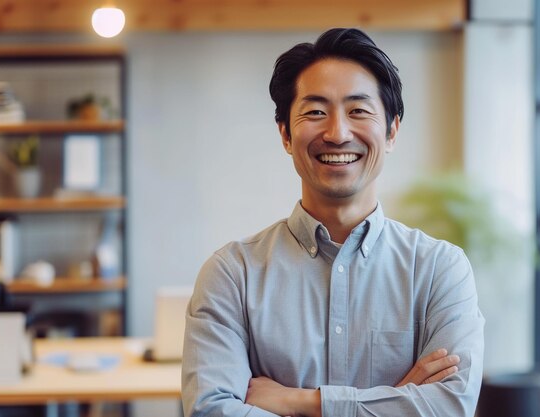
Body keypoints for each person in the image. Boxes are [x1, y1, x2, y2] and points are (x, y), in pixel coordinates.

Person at [181, 27, 484, 417]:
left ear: (391, 131)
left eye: (358, 110)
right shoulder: (231, 274)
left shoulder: (440, 269)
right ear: (286, 135)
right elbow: (211, 412)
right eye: (316, 112)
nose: (338, 133)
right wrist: (398, 398)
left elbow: (450, 407)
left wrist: (301, 402)